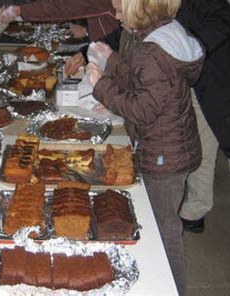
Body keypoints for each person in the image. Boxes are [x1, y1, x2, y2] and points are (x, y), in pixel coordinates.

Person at [88, 0, 204, 293]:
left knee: (166, 229)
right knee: (161, 222)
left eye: (118, 10)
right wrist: (112, 59)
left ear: (140, 8)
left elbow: (142, 109)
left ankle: (173, 287)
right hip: (171, 146)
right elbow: (142, 76)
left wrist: (101, 86)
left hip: (165, 154)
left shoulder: (152, 50)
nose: (114, 16)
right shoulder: (161, 36)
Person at [175, 0, 230, 265]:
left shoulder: (206, 3)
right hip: (198, 93)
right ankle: (195, 212)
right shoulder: (160, 6)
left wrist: (190, 47)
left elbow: (226, 17)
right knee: (200, 155)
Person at [7, 0, 118, 42]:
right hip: (107, 42)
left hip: (113, 50)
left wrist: (21, 11)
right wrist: (88, 30)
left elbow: (64, 7)